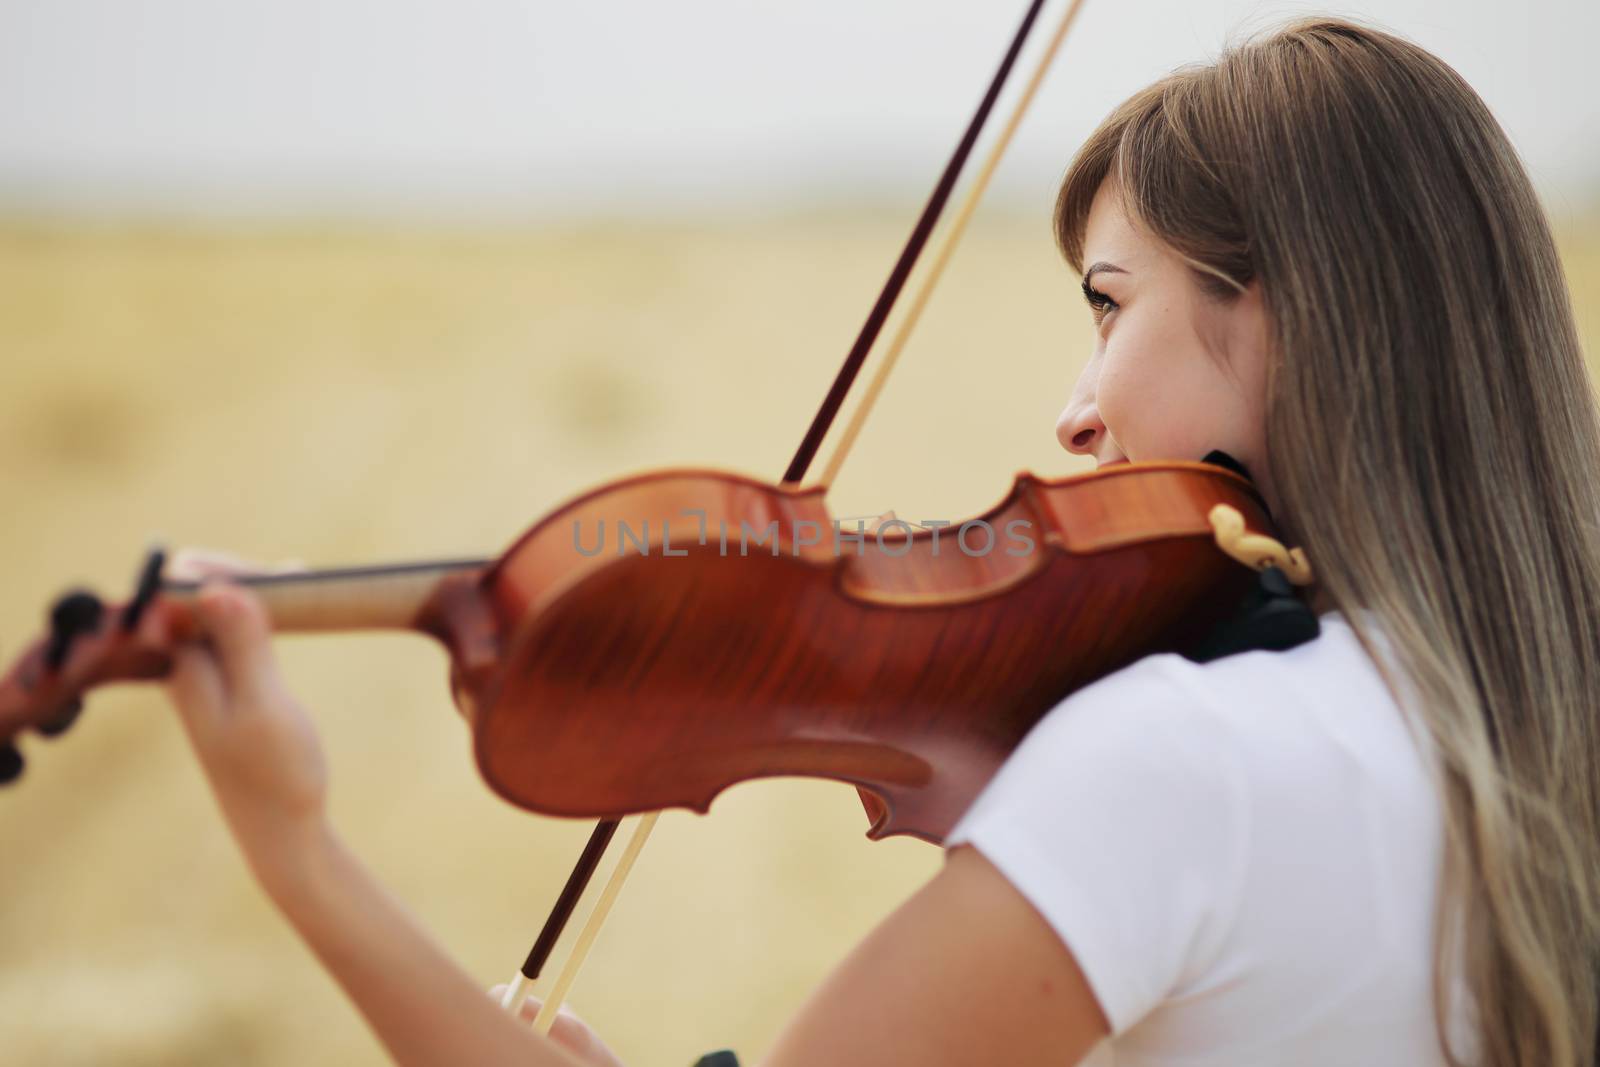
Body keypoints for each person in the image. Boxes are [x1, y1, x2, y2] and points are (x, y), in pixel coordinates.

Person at [161, 16, 1600, 1067]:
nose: (1078, 409)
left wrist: (295, 850)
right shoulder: (1536, 740)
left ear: (1288, 310)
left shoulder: (1183, 761)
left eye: (1111, 304)